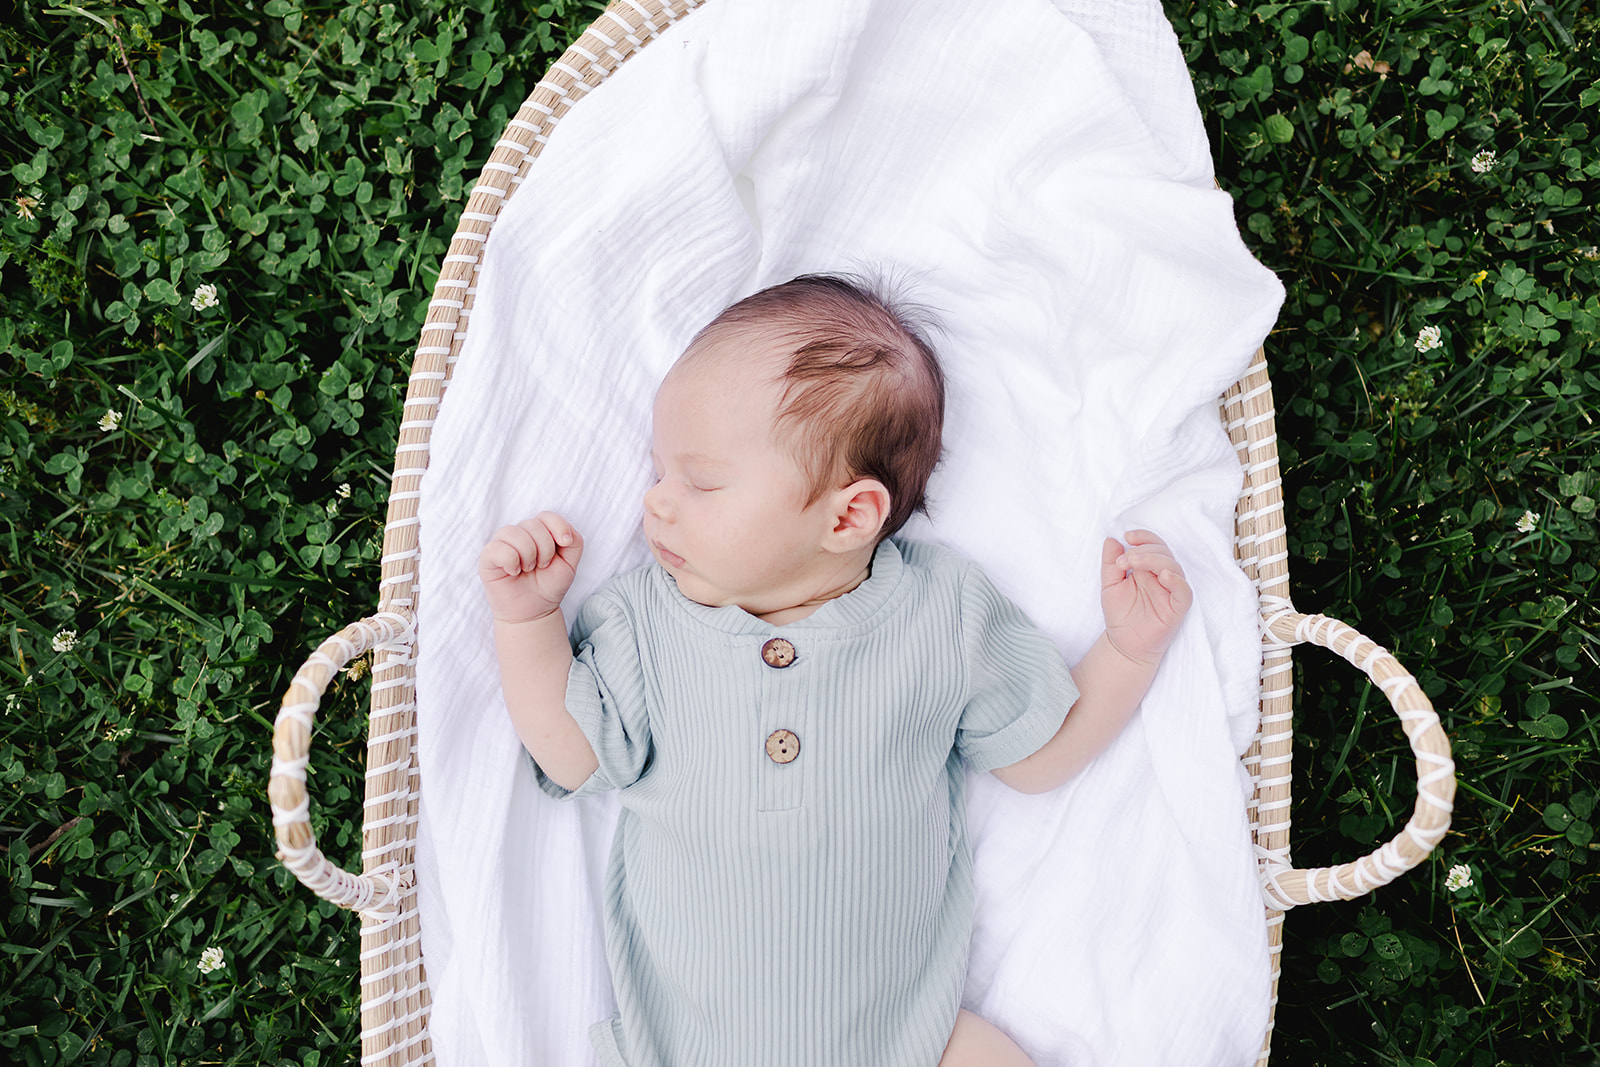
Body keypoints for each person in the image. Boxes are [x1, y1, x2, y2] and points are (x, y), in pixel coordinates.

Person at [477, 274, 1192, 1067]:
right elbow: (570, 750)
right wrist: (529, 619)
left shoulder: (940, 612)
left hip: (903, 1041)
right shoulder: (647, 620)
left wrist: (1128, 651)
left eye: (701, 480)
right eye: (657, 473)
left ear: (849, 516)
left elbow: (1038, 750)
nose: (657, 504)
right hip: (684, 1048)